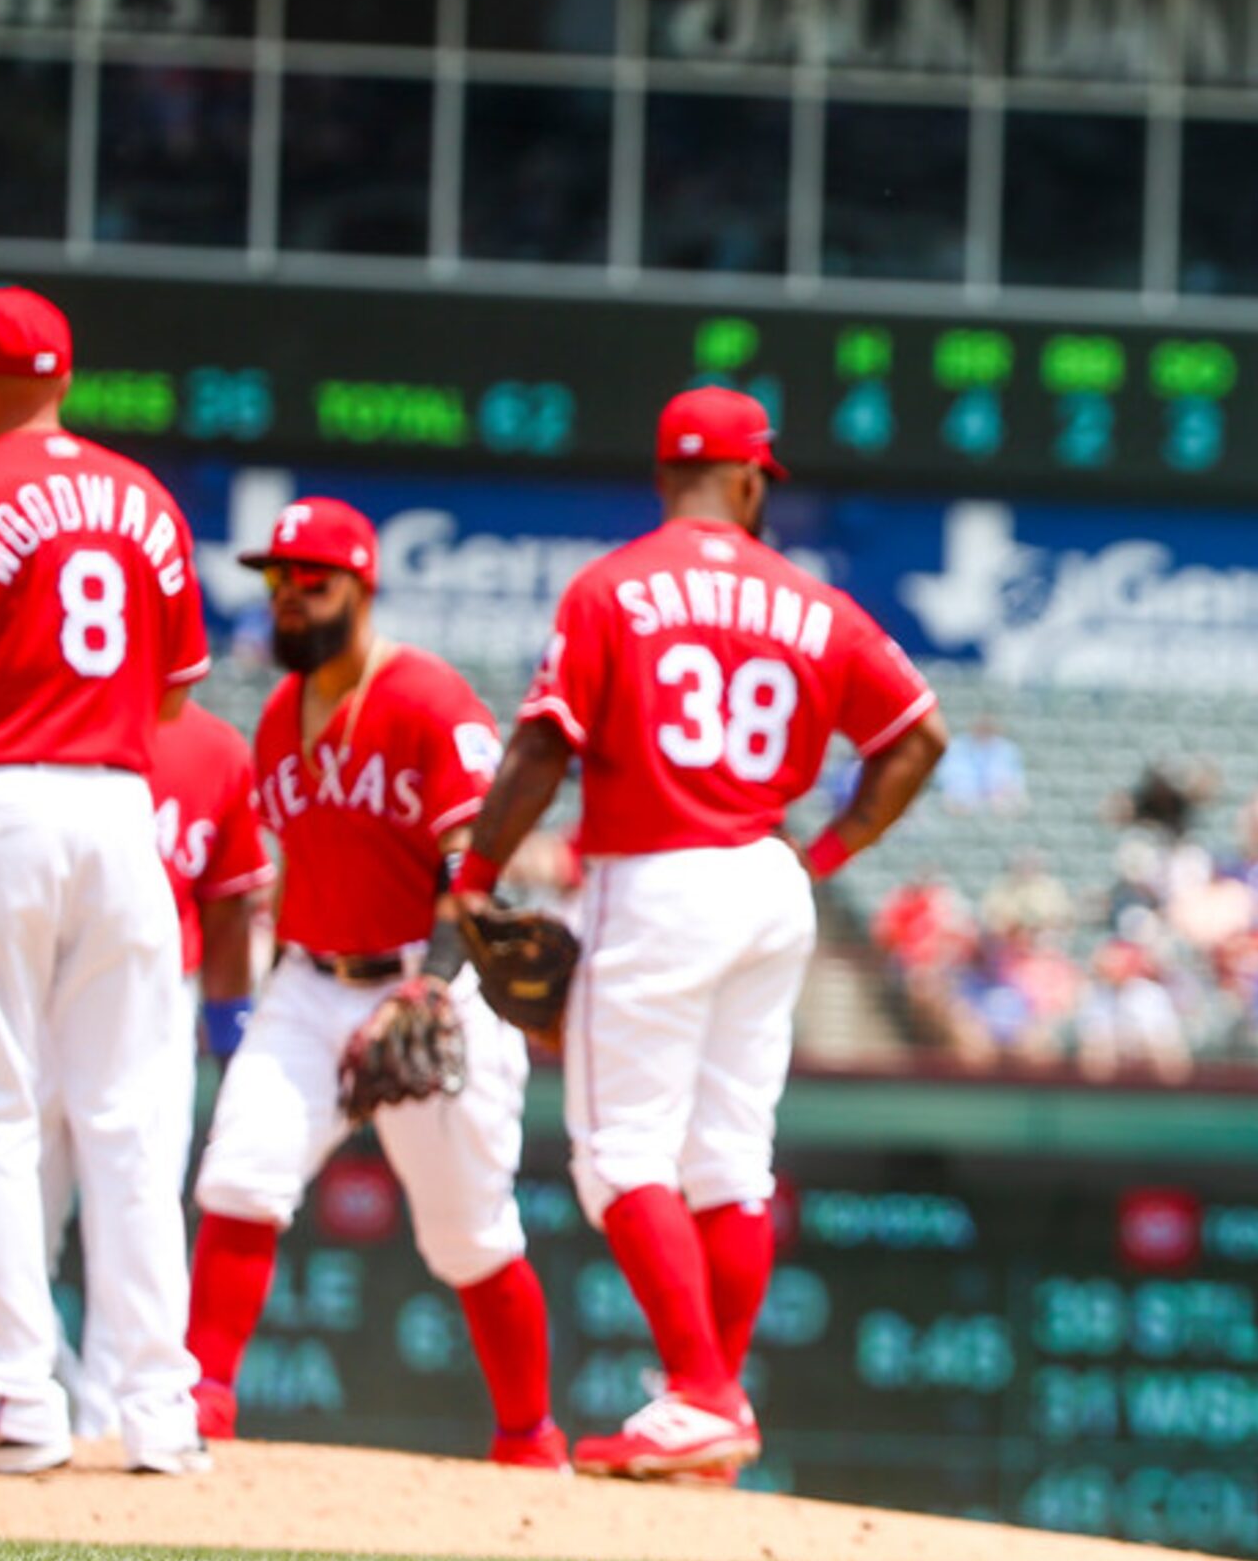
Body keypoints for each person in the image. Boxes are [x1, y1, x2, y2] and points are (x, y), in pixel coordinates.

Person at [457, 387, 947, 1481]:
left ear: (663, 475)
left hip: (656, 874)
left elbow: (542, 747)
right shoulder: (810, 601)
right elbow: (918, 737)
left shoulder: (612, 588)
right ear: (747, 479)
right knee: (728, 1157)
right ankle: (708, 1417)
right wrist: (828, 853)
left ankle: (702, 1393)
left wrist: (478, 875)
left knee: (622, 1153)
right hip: (769, 882)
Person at [0, 286, 213, 1475]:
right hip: (125, 811)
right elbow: (172, 694)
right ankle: (161, 1415)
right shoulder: (148, 500)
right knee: (127, 1121)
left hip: (1, 803)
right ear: (62, 379)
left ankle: (18, 1405)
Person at [183, 498, 561, 1467]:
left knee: (470, 1238)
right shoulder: (275, 718)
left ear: (362, 587)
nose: (292, 600)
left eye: (315, 583)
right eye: (277, 583)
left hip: (427, 980)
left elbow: (473, 873)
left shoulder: (431, 700)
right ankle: (198, 1412)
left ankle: (529, 1440)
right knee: (238, 1177)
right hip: (309, 981)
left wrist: (431, 986)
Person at [44, 699, 271, 1438]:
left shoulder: (215, 747)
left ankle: (115, 1421)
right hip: (36, 988)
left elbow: (232, 902)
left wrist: (231, 1038)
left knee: (137, 1208)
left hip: (159, 997)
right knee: (19, 1208)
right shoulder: (43, 722)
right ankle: (29, 1401)